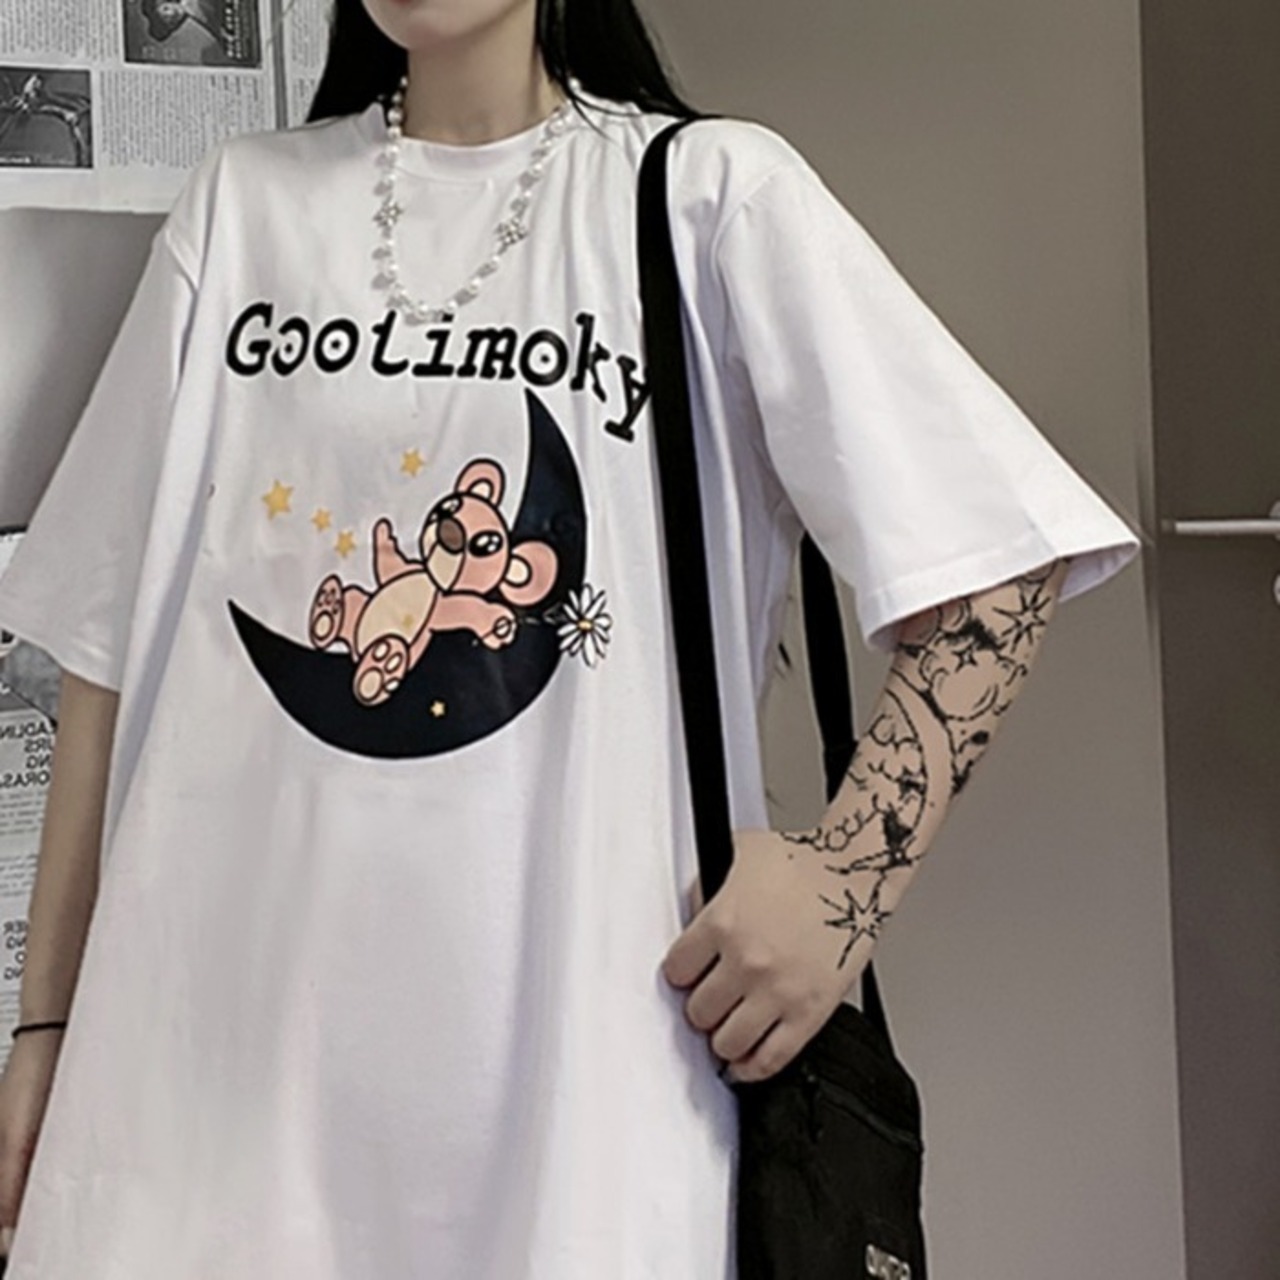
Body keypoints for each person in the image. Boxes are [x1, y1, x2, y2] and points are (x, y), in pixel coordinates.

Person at [0, 1, 1138, 1275]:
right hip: (200, 1102)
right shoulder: (240, 209)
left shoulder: (707, 198)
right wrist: (45, 1025)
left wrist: (840, 889)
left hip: (588, 1110)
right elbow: (104, 650)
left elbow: (996, 570)